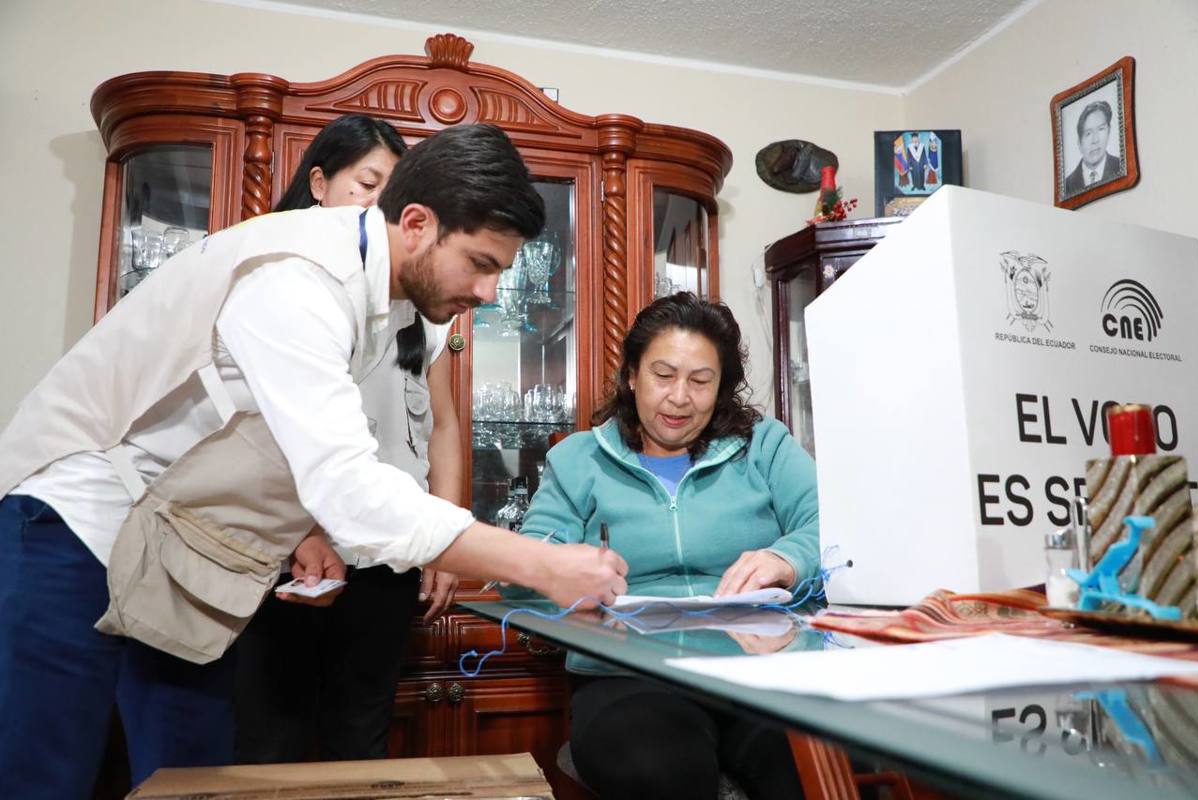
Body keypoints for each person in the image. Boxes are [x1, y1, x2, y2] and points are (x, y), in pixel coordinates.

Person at [0, 123, 627, 798]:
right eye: (480, 263)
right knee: (45, 773)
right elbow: (349, 489)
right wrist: (543, 564)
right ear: (415, 223)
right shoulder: (297, 280)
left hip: (180, 542)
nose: (486, 293)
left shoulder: (375, 294)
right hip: (71, 525)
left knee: (191, 773)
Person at [513, 292, 819, 800]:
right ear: (632, 375)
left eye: (701, 381)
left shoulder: (764, 445)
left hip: (759, 668)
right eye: (663, 375)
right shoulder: (578, 460)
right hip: (625, 677)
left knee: (815, 764)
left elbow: (830, 525)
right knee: (660, 769)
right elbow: (528, 561)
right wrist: (567, 570)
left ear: (721, 389)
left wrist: (786, 558)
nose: (680, 397)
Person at [233, 113, 462, 763]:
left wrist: (443, 538)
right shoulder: (284, 280)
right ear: (319, 184)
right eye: (367, 183)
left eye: (394, 192)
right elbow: (261, 425)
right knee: (268, 737)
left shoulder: (419, 304)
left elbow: (443, 426)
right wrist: (302, 528)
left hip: (387, 550)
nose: (378, 204)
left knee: (359, 735)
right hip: (289, 544)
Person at [1064, 99, 1122, 196]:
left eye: (1101, 129)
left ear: (1109, 131)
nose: (1095, 140)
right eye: (1088, 133)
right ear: (1079, 143)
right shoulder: (1067, 185)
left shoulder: (1121, 166)